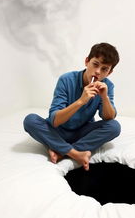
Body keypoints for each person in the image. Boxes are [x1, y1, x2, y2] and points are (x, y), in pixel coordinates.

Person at [23, 42, 121, 171]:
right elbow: (55, 120)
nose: (98, 72)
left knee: (114, 126)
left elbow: (108, 117)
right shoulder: (66, 79)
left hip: (82, 132)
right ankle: (75, 153)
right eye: (95, 64)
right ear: (87, 61)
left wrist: (104, 97)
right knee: (30, 120)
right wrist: (81, 101)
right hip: (58, 130)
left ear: (109, 72)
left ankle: (60, 150)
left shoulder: (108, 86)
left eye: (104, 69)